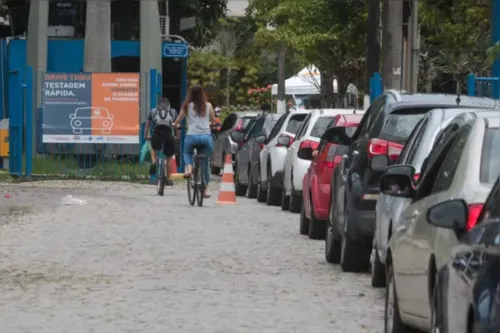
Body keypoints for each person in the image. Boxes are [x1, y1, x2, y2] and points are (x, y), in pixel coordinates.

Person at [173, 85, 216, 198]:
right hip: (206, 137)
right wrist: (211, 124)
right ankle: (205, 189)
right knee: (205, 163)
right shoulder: (208, 105)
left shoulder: (187, 105)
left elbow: (178, 119)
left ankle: (189, 168)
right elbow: (213, 120)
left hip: (191, 136)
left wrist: (175, 124)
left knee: (187, 153)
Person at [144, 97, 177, 184]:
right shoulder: (173, 111)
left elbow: (147, 125)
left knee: (153, 148)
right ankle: (168, 179)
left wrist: (146, 135)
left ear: (159, 105)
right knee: (169, 157)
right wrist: (177, 136)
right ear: (168, 104)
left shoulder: (153, 111)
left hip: (157, 133)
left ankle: (154, 162)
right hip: (168, 134)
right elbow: (177, 126)